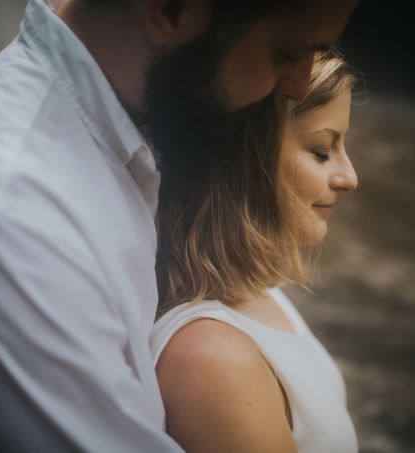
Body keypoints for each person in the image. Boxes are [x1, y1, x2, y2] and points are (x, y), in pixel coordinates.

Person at [0, 0, 359, 451]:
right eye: (286, 54)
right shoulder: (4, 222)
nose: (295, 86)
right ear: (173, 11)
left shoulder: (136, 126)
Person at [152, 49, 359, 452]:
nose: (349, 177)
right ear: (248, 160)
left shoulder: (259, 293)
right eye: (321, 151)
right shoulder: (212, 359)